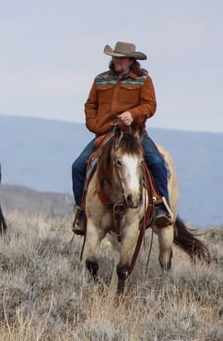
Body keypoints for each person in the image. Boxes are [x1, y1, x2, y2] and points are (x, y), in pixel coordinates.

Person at [71, 41, 172, 235]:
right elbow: (90, 104)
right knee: (78, 165)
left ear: (131, 61)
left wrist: (133, 114)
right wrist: (94, 125)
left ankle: (160, 206)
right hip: (106, 133)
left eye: (121, 58)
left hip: (135, 134)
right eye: (115, 57)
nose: (117, 61)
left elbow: (150, 105)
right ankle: (82, 210)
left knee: (157, 161)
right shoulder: (101, 79)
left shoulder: (143, 80)